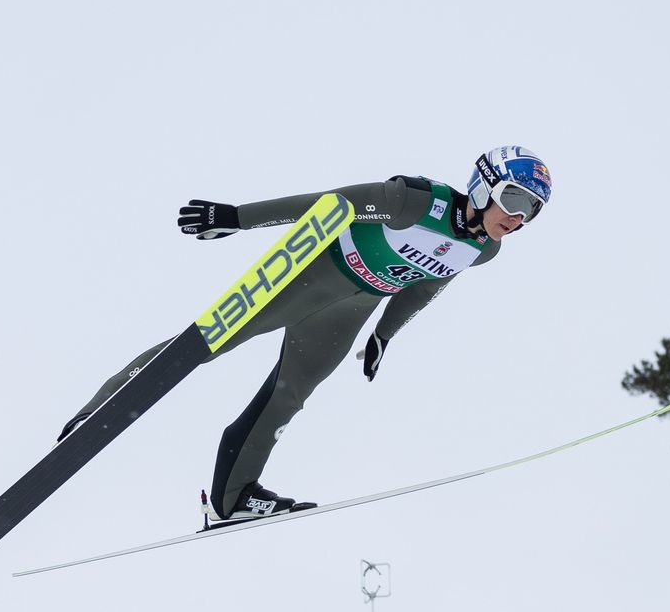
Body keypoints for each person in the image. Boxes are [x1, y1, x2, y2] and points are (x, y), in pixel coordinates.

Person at [56, 146, 552, 523]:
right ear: (485, 185)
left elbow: (426, 285)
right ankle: (98, 408)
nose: (517, 216)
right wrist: (235, 218)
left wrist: (385, 334)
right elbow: (328, 206)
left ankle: (233, 497)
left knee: (289, 395)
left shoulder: (483, 251)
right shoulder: (414, 203)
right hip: (315, 274)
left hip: (354, 306)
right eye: (513, 198)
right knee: (209, 342)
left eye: (530, 210)